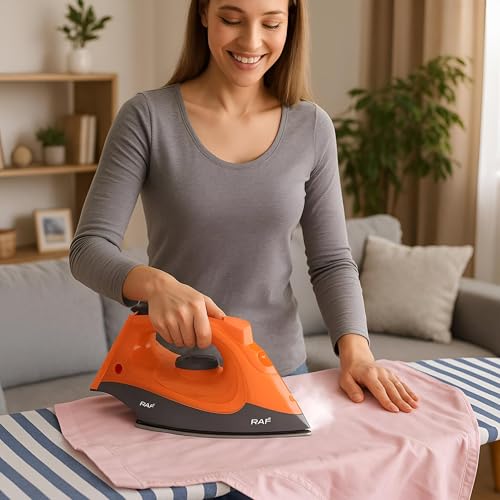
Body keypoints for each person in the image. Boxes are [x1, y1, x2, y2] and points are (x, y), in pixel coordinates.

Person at [70, 0, 418, 428]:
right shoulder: (147, 118)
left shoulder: (311, 127)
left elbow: (331, 261)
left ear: (291, 22)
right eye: (231, 19)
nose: (251, 42)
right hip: (171, 376)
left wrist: (356, 351)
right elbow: (88, 248)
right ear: (203, 13)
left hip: (281, 376)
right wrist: (157, 286)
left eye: (271, 23)